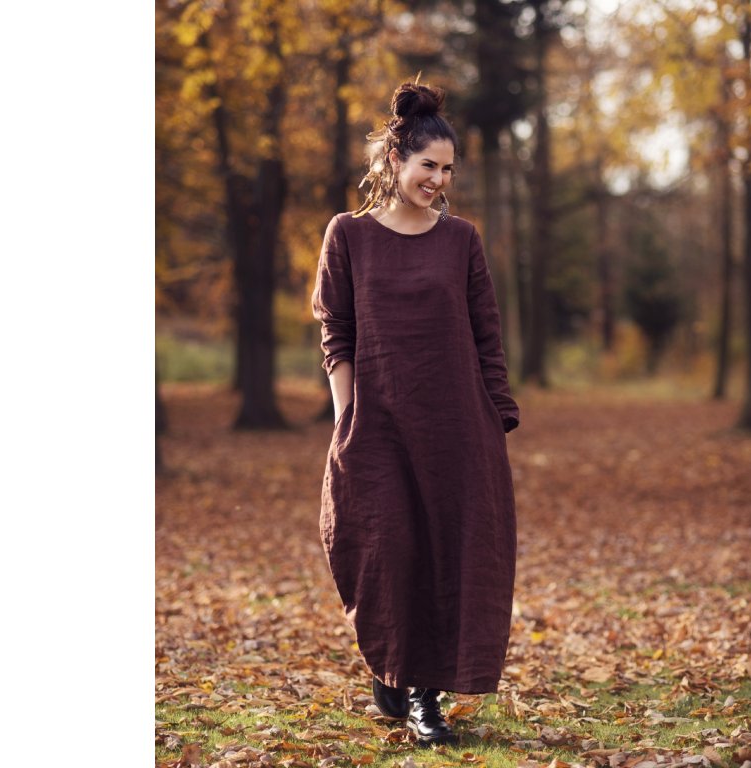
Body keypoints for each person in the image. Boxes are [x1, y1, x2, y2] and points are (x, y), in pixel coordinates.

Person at [311, 78, 520, 746]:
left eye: (448, 170)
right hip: (376, 425)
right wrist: (347, 419)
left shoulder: (461, 240)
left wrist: (497, 417)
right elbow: (337, 334)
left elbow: (486, 336)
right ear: (396, 161)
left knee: (445, 556)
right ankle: (389, 663)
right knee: (381, 549)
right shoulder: (348, 235)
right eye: (429, 165)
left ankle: (426, 695)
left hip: (455, 426)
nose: (438, 179)